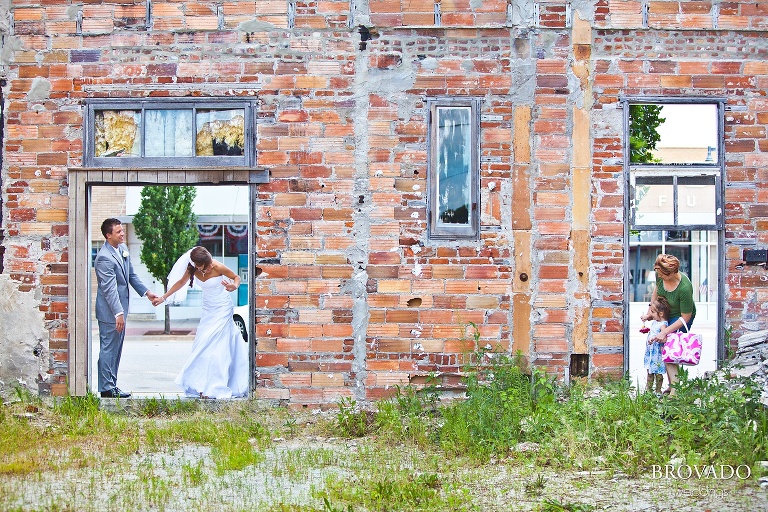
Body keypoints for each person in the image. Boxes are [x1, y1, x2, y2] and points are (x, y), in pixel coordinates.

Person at [153, 246, 249, 399]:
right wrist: (163, 298)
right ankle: (202, 384)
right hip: (208, 311)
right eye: (207, 265)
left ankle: (216, 387)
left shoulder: (217, 266)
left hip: (223, 309)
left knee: (219, 350)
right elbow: (179, 283)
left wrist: (234, 286)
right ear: (198, 265)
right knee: (203, 347)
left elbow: (236, 277)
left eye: (210, 263)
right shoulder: (192, 270)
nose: (211, 266)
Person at [95, 218, 158, 398]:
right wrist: (118, 313)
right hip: (110, 314)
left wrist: (147, 293)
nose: (122, 234)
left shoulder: (122, 250)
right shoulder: (104, 258)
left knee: (116, 349)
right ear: (108, 235)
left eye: (122, 231)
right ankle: (106, 389)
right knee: (108, 349)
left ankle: (111, 385)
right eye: (118, 232)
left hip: (119, 312)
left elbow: (131, 275)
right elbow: (109, 290)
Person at [642, 254, 696, 396]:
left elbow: (686, 316)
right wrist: (650, 311)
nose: (659, 276)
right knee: (664, 348)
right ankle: (672, 386)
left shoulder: (684, 288)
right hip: (665, 312)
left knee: (669, 347)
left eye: (662, 274)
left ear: (672, 273)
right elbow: (656, 291)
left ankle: (675, 391)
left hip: (680, 317)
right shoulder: (660, 274)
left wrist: (665, 332)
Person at [640, 296, 670, 394]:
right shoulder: (656, 322)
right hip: (651, 353)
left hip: (657, 354)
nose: (651, 314)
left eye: (653, 312)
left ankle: (658, 390)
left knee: (658, 373)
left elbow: (664, 338)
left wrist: (655, 338)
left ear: (660, 314)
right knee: (649, 372)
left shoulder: (663, 324)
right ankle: (648, 390)